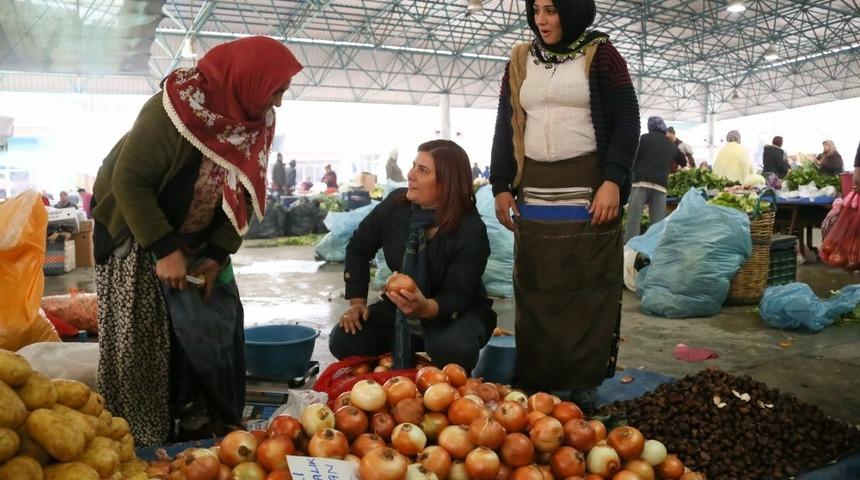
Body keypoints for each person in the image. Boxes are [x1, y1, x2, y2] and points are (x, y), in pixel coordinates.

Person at [90, 36, 302, 446]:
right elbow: (129, 181)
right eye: (276, 91)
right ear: (249, 80)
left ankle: (200, 422)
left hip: (196, 234)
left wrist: (217, 253)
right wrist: (164, 249)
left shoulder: (255, 120)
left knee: (211, 328)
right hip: (137, 228)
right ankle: (141, 438)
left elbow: (242, 189)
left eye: (282, 92)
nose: (278, 102)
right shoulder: (173, 110)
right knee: (146, 339)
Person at [490, 0, 640, 408]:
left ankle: (582, 382)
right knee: (537, 285)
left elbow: (628, 121)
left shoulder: (602, 53)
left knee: (587, 286)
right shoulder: (521, 60)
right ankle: (539, 380)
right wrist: (500, 184)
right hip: (535, 189)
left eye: (552, 10)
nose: (542, 19)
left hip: (589, 190)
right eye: (536, 9)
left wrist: (613, 180)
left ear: (573, 11)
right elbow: (507, 122)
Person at [330, 140, 496, 372]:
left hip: (454, 311)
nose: (410, 174)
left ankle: (430, 352)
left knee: (452, 348)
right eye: (413, 166)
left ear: (446, 184)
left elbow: (458, 295)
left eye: (423, 170)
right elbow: (359, 247)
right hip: (400, 307)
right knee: (344, 339)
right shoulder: (396, 206)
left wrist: (424, 307)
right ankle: (405, 348)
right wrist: (357, 303)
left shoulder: (470, 229)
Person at [624, 117, 679, 243]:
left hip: (640, 182)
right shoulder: (671, 144)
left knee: (634, 220)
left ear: (650, 126)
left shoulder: (644, 139)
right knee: (657, 224)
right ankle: (653, 250)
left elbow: (632, 157)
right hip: (660, 185)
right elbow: (682, 161)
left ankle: (630, 251)